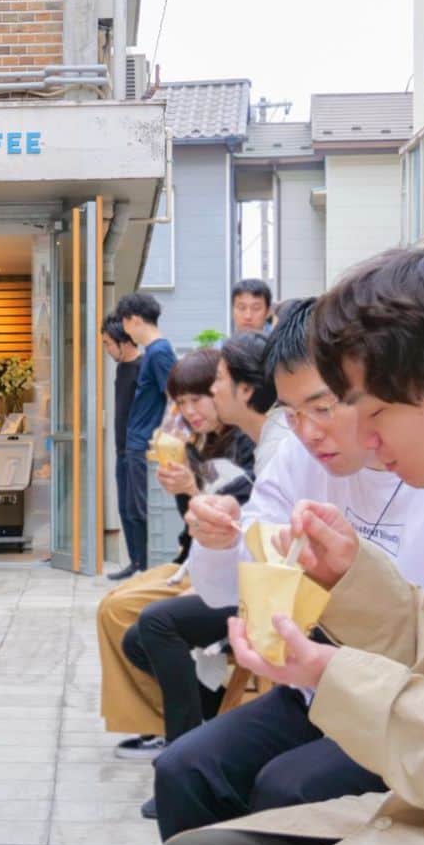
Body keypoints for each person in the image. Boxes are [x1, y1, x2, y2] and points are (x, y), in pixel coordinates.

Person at [148, 244, 424, 845]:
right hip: (369, 708)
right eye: (300, 412)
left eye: (360, 407)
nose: (354, 433)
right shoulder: (309, 456)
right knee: (182, 844)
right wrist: (348, 579)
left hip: (408, 753)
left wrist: (329, 663)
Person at [97, 349, 253, 760]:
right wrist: (187, 489)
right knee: (116, 610)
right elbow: (199, 524)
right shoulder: (201, 445)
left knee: (132, 616)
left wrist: (192, 490)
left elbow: (236, 523)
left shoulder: (249, 444)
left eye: (197, 399)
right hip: (200, 562)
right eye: (181, 402)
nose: (189, 410)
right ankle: (168, 723)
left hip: (234, 574)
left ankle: (176, 734)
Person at [111, 292, 177, 580]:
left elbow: (175, 397)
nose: (125, 331)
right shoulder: (154, 352)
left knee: (142, 509)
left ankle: (151, 570)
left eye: (125, 324)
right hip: (134, 443)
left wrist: (167, 437)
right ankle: (140, 565)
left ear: (134, 320)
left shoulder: (159, 352)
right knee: (132, 508)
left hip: (142, 443)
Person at [210, 333, 289, 473]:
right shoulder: (274, 436)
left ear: (246, 390)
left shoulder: (279, 449)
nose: (212, 389)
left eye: (219, 378)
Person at [102, 311, 142, 577]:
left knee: (138, 509)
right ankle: (136, 562)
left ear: (123, 341)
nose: (106, 349)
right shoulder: (122, 368)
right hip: (121, 449)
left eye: (107, 343)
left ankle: (144, 565)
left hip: (137, 451)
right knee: (125, 509)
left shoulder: (143, 367)